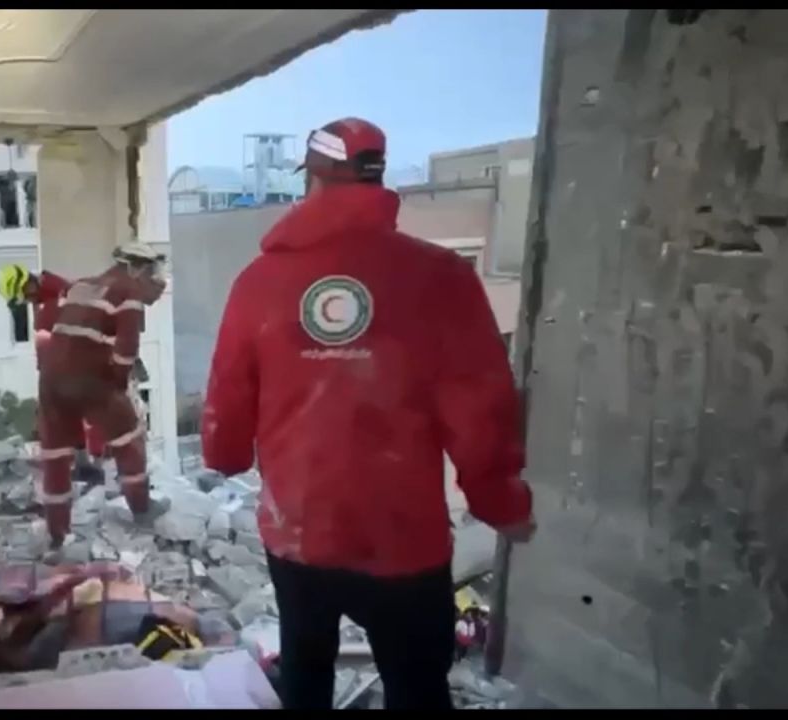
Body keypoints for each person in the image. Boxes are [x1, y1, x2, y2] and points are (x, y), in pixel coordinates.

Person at [201, 118, 537, 710]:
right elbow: (479, 405)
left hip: (299, 530)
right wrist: (500, 502)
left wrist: (224, 455)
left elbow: (229, 390)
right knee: (416, 688)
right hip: (403, 538)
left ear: (314, 180)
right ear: (377, 178)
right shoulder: (440, 276)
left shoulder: (259, 282)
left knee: (306, 670)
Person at [34, 242, 170, 550]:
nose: (158, 282)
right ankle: (141, 509)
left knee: (56, 456)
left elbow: (54, 326)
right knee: (129, 440)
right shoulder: (129, 293)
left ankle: (57, 533)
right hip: (89, 379)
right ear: (137, 268)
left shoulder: (82, 285)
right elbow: (126, 352)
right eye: (153, 273)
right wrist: (117, 389)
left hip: (51, 381)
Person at [0, 264, 106, 480]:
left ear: (28, 284)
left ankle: (96, 466)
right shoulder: (47, 297)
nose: (26, 301)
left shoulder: (57, 300)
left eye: (24, 296)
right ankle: (85, 464)